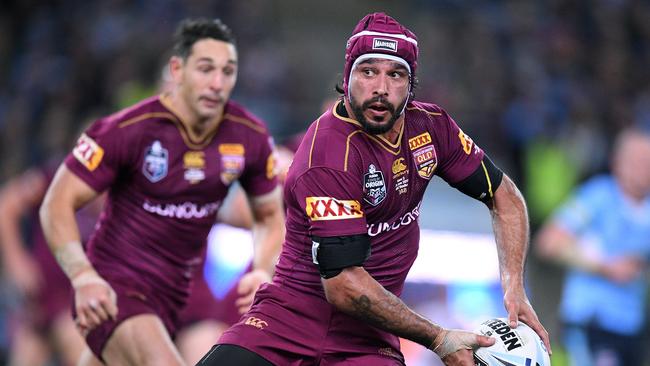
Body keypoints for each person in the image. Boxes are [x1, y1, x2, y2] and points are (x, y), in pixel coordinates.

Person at [199, 12, 550, 366]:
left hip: (369, 338)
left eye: (395, 74)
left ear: (411, 85)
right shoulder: (328, 153)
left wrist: (514, 288)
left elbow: (504, 195)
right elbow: (344, 286)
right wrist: (439, 338)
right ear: (348, 77)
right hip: (288, 321)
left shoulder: (433, 128)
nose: (381, 87)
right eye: (368, 71)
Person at [38, 17, 285, 366]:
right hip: (116, 289)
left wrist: (262, 267)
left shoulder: (248, 135)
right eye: (205, 69)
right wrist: (82, 275)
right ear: (177, 70)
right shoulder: (126, 130)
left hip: (179, 299)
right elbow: (55, 204)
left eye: (228, 71)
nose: (217, 83)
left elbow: (270, 215)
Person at [535, 128, 650, 366]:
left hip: (632, 326)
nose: (644, 168)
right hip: (590, 321)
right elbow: (549, 241)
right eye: (638, 160)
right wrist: (604, 267)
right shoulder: (597, 197)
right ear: (618, 163)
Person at [0, 160, 99, 366]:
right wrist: (17, 261)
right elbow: (6, 205)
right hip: (44, 297)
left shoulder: (122, 192)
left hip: (78, 303)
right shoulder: (53, 178)